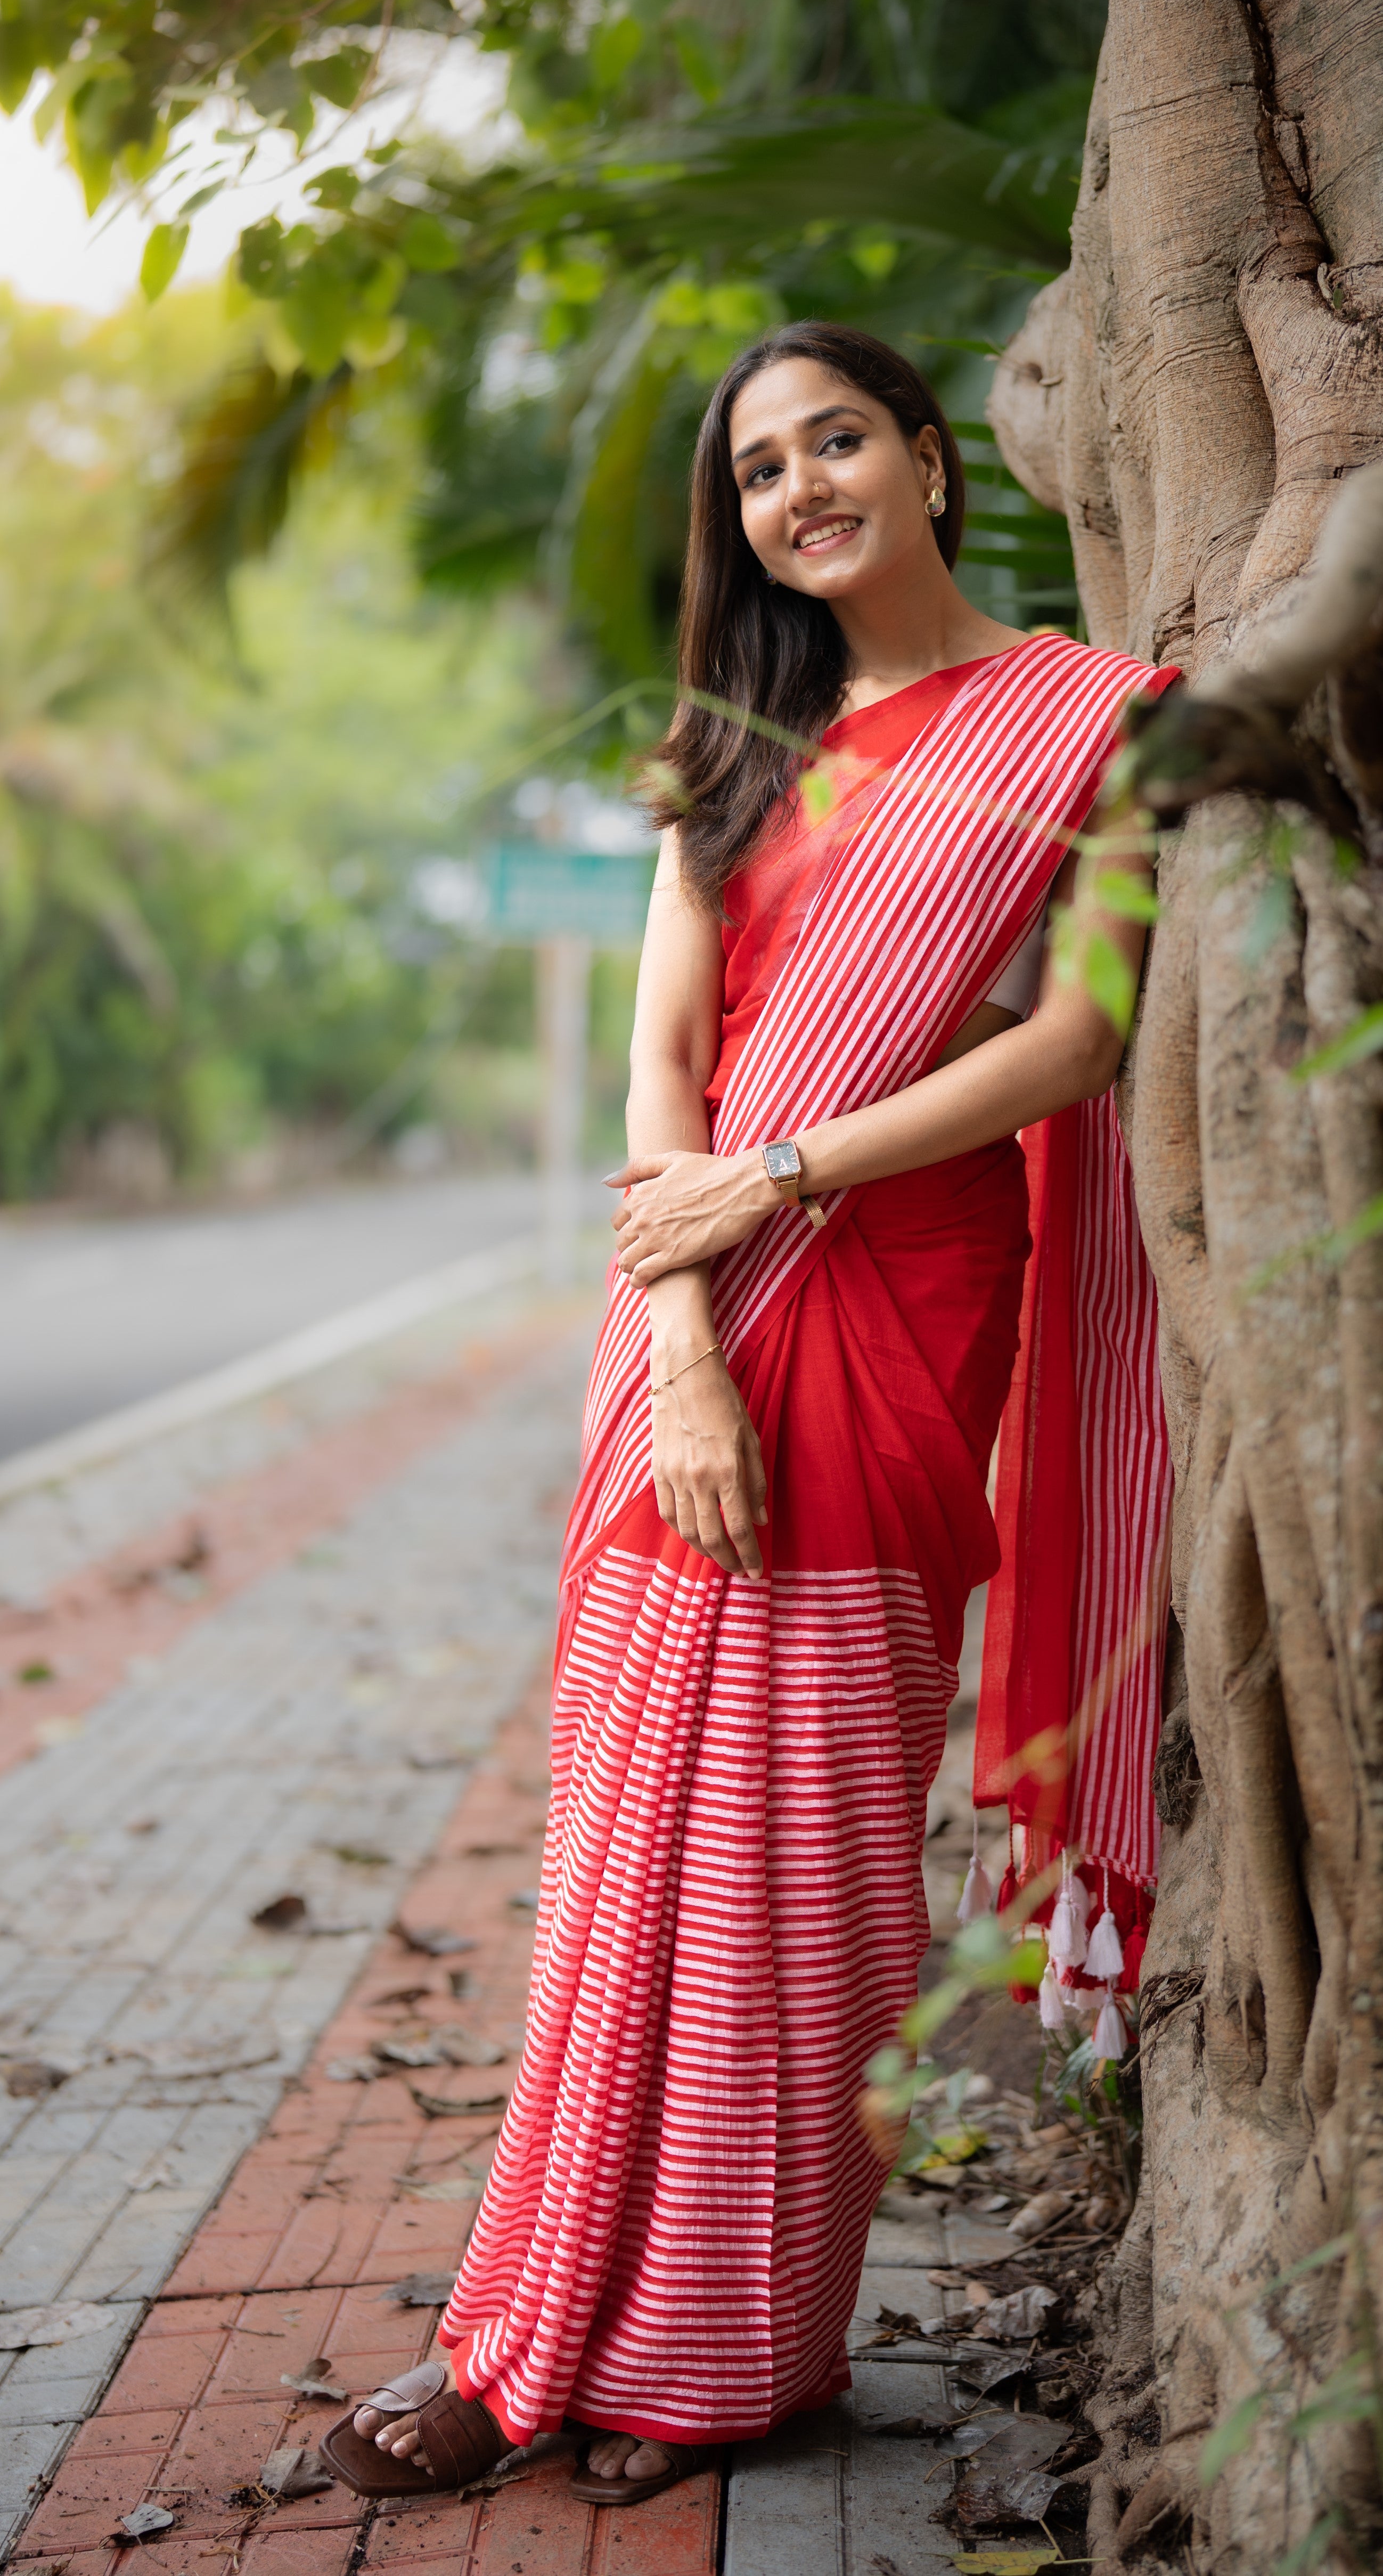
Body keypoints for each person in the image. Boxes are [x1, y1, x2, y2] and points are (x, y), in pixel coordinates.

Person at [320, 321, 1173, 2507]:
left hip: (893, 1286)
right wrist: (685, 1329)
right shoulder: (727, 752)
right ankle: (511, 2341)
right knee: (622, 1857)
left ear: (930, 461)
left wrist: (787, 1174)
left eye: (838, 440)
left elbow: (1082, 1037)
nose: (800, 486)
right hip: (683, 1318)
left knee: (801, 1865)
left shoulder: (1092, 714)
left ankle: (740, 2349)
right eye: (760, 469)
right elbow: (660, 1069)